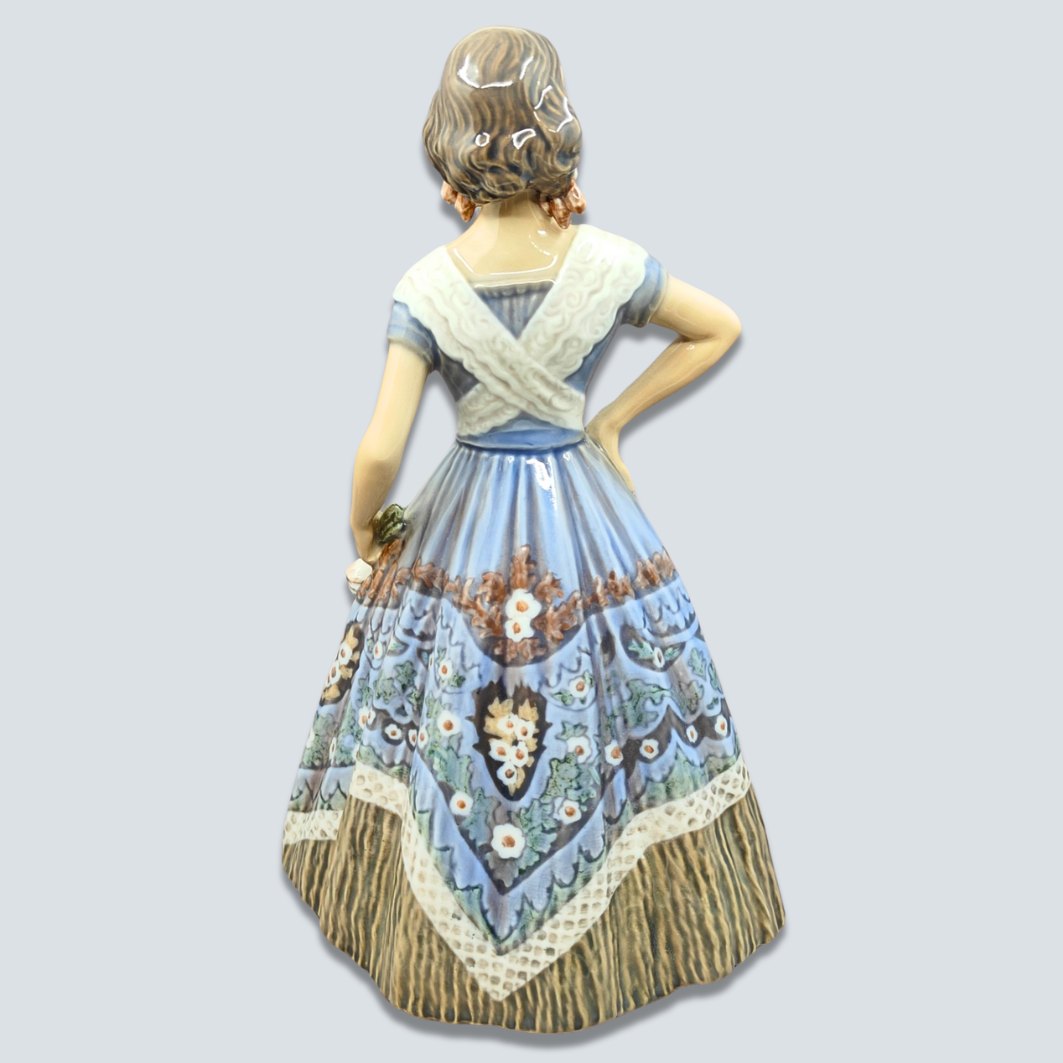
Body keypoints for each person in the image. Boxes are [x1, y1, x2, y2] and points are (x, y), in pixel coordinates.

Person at [281, 25, 785, 1033]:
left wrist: (368, 530)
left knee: (441, 712)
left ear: (450, 136)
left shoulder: (427, 285)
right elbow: (717, 325)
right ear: (555, 124)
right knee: (622, 706)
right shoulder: (605, 263)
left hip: (462, 513)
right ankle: (618, 935)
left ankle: (447, 940)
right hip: (586, 512)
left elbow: (380, 448)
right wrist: (609, 421)